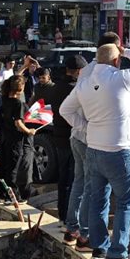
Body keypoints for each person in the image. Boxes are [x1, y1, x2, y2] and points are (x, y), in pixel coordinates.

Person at [60, 43, 130, 259]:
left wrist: (87, 127)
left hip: (94, 149)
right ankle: (117, 253)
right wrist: (128, 51)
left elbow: (65, 110)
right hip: (119, 151)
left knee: (98, 200)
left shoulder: (84, 84)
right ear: (117, 60)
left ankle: (99, 249)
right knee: (126, 201)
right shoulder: (120, 79)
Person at [41, 55, 87, 244]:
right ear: (78, 71)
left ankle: (62, 217)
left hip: (58, 137)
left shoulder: (56, 87)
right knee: (76, 180)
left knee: (64, 180)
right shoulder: (77, 89)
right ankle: (70, 220)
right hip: (74, 136)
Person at [0, 74, 37, 202]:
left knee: (3, 167)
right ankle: (11, 196)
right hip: (15, 141)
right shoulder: (18, 104)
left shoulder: (5, 100)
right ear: (21, 87)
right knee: (13, 169)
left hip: (4, 139)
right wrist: (29, 131)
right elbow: (18, 123)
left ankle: (1, 193)